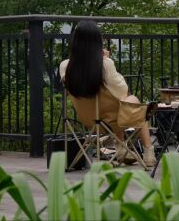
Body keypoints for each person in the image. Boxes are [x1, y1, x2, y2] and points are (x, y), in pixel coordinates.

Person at [59, 20, 156, 167]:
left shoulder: (65, 66)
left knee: (118, 105)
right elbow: (122, 90)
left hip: (88, 121)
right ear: (97, 42)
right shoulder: (105, 65)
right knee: (134, 102)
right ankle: (148, 152)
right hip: (112, 122)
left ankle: (121, 149)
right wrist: (106, 59)